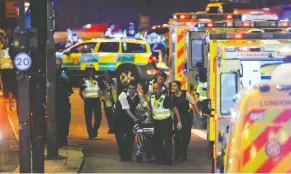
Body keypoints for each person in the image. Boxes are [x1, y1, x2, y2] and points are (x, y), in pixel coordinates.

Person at [149, 83, 182, 165]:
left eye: (156, 88)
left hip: (166, 122)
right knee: (157, 141)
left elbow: (174, 108)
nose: (155, 90)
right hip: (156, 123)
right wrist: (149, 118)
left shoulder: (165, 98)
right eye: (154, 88)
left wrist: (179, 121)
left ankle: (168, 158)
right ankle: (159, 158)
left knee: (167, 141)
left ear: (160, 89)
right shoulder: (152, 98)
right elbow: (151, 109)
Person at [114, 81, 142, 161]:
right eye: (129, 88)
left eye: (133, 89)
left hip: (129, 119)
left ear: (135, 89)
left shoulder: (138, 96)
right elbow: (127, 110)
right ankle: (123, 155)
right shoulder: (123, 95)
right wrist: (136, 120)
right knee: (120, 138)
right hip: (119, 119)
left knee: (130, 137)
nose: (130, 90)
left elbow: (142, 105)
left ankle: (128, 156)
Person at [170, 81, 196, 161]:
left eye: (174, 86)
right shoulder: (171, 97)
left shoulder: (185, 94)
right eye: (172, 86)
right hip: (177, 119)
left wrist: (198, 113)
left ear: (179, 87)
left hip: (186, 118)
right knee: (177, 137)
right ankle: (177, 155)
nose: (173, 88)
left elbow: (193, 103)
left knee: (186, 137)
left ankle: (183, 154)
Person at [79, 64, 105, 139]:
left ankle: (94, 130)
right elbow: (80, 92)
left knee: (98, 117)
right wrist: (84, 99)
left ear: (94, 71)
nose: (90, 72)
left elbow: (102, 89)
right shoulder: (83, 80)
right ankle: (90, 133)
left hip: (96, 100)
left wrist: (101, 96)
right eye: (88, 70)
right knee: (88, 117)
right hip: (88, 101)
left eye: (91, 70)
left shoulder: (98, 79)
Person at [56, 57, 73, 146]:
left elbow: (69, 83)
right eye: (55, 65)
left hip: (64, 101)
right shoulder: (51, 73)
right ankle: (59, 139)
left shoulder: (64, 72)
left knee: (65, 119)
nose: (57, 67)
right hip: (55, 102)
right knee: (57, 120)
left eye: (58, 65)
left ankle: (63, 138)